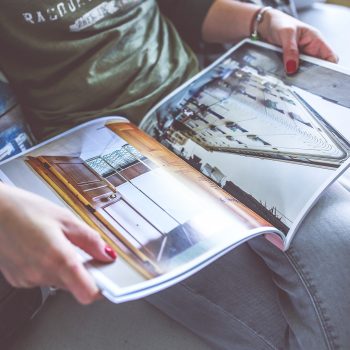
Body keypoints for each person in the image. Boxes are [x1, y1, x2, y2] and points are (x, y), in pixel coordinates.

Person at [0, 0, 346, 348]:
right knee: (265, 322)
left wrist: (262, 19)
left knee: (339, 245)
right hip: (96, 150)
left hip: (199, 98)